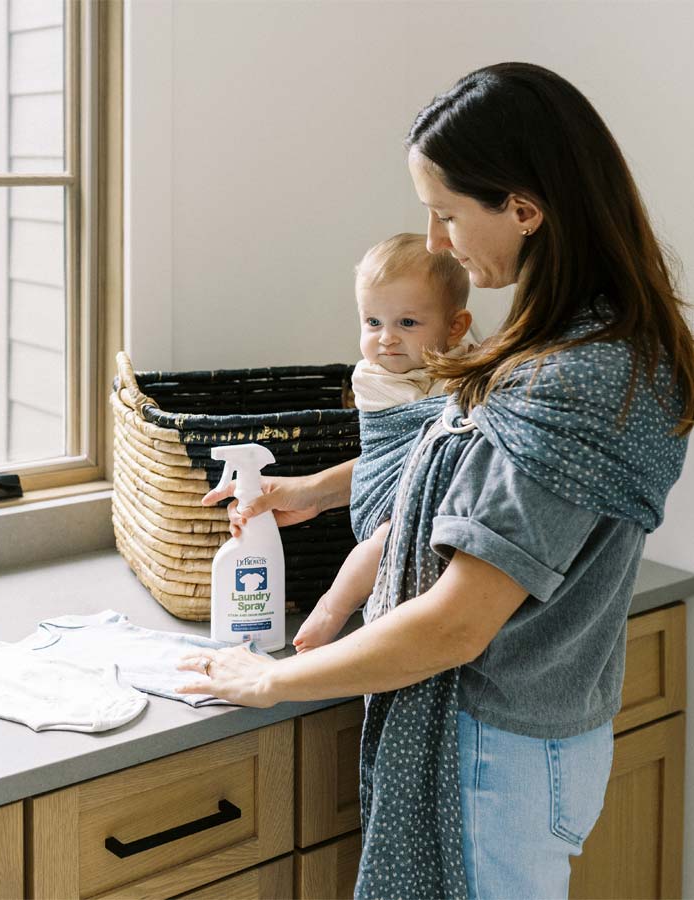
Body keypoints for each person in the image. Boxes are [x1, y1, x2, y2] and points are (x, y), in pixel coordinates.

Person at [178, 61, 694, 900]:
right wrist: (312, 491)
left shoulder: (578, 377)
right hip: (518, 741)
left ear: (525, 209)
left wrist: (266, 678)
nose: (438, 240)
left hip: (499, 752)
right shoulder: (579, 339)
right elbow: (465, 462)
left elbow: (457, 625)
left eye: (448, 214)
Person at [293, 232, 473, 653]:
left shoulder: (464, 362)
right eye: (373, 322)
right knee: (386, 541)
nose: (386, 338)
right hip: (387, 494)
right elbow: (433, 424)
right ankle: (332, 609)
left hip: (440, 500)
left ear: (455, 327)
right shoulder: (375, 376)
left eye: (407, 323)